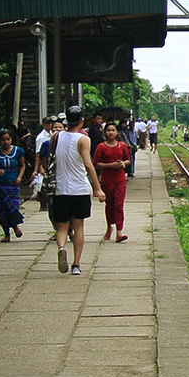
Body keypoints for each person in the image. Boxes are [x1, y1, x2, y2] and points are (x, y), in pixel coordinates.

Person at [50, 106, 106, 275]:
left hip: (61, 189)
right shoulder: (83, 139)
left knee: (62, 227)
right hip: (80, 189)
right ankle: (76, 265)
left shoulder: (56, 136)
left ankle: (61, 248)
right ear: (81, 121)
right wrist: (98, 189)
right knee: (79, 226)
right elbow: (88, 165)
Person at [0, 127, 27, 241]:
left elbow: (22, 165)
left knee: (12, 207)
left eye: (8, 139)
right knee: (1, 209)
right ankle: (6, 233)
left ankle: (15, 226)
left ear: (11, 139)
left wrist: (19, 177)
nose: (6, 142)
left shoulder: (18, 151)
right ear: (0, 140)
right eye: (3, 140)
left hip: (12, 184)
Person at [94, 121, 131, 242]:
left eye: (113, 130)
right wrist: (111, 165)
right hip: (107, 179)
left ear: (117, 132)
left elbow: (128, 160)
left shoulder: (122, 146)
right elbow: (96, 163)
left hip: (120, 179)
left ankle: (119, 231)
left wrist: (122, 164)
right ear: (105, 133)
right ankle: (109, 227)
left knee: (119, 204)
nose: (111, 132)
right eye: (108, 130)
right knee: (109, 204)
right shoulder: (101, 147)